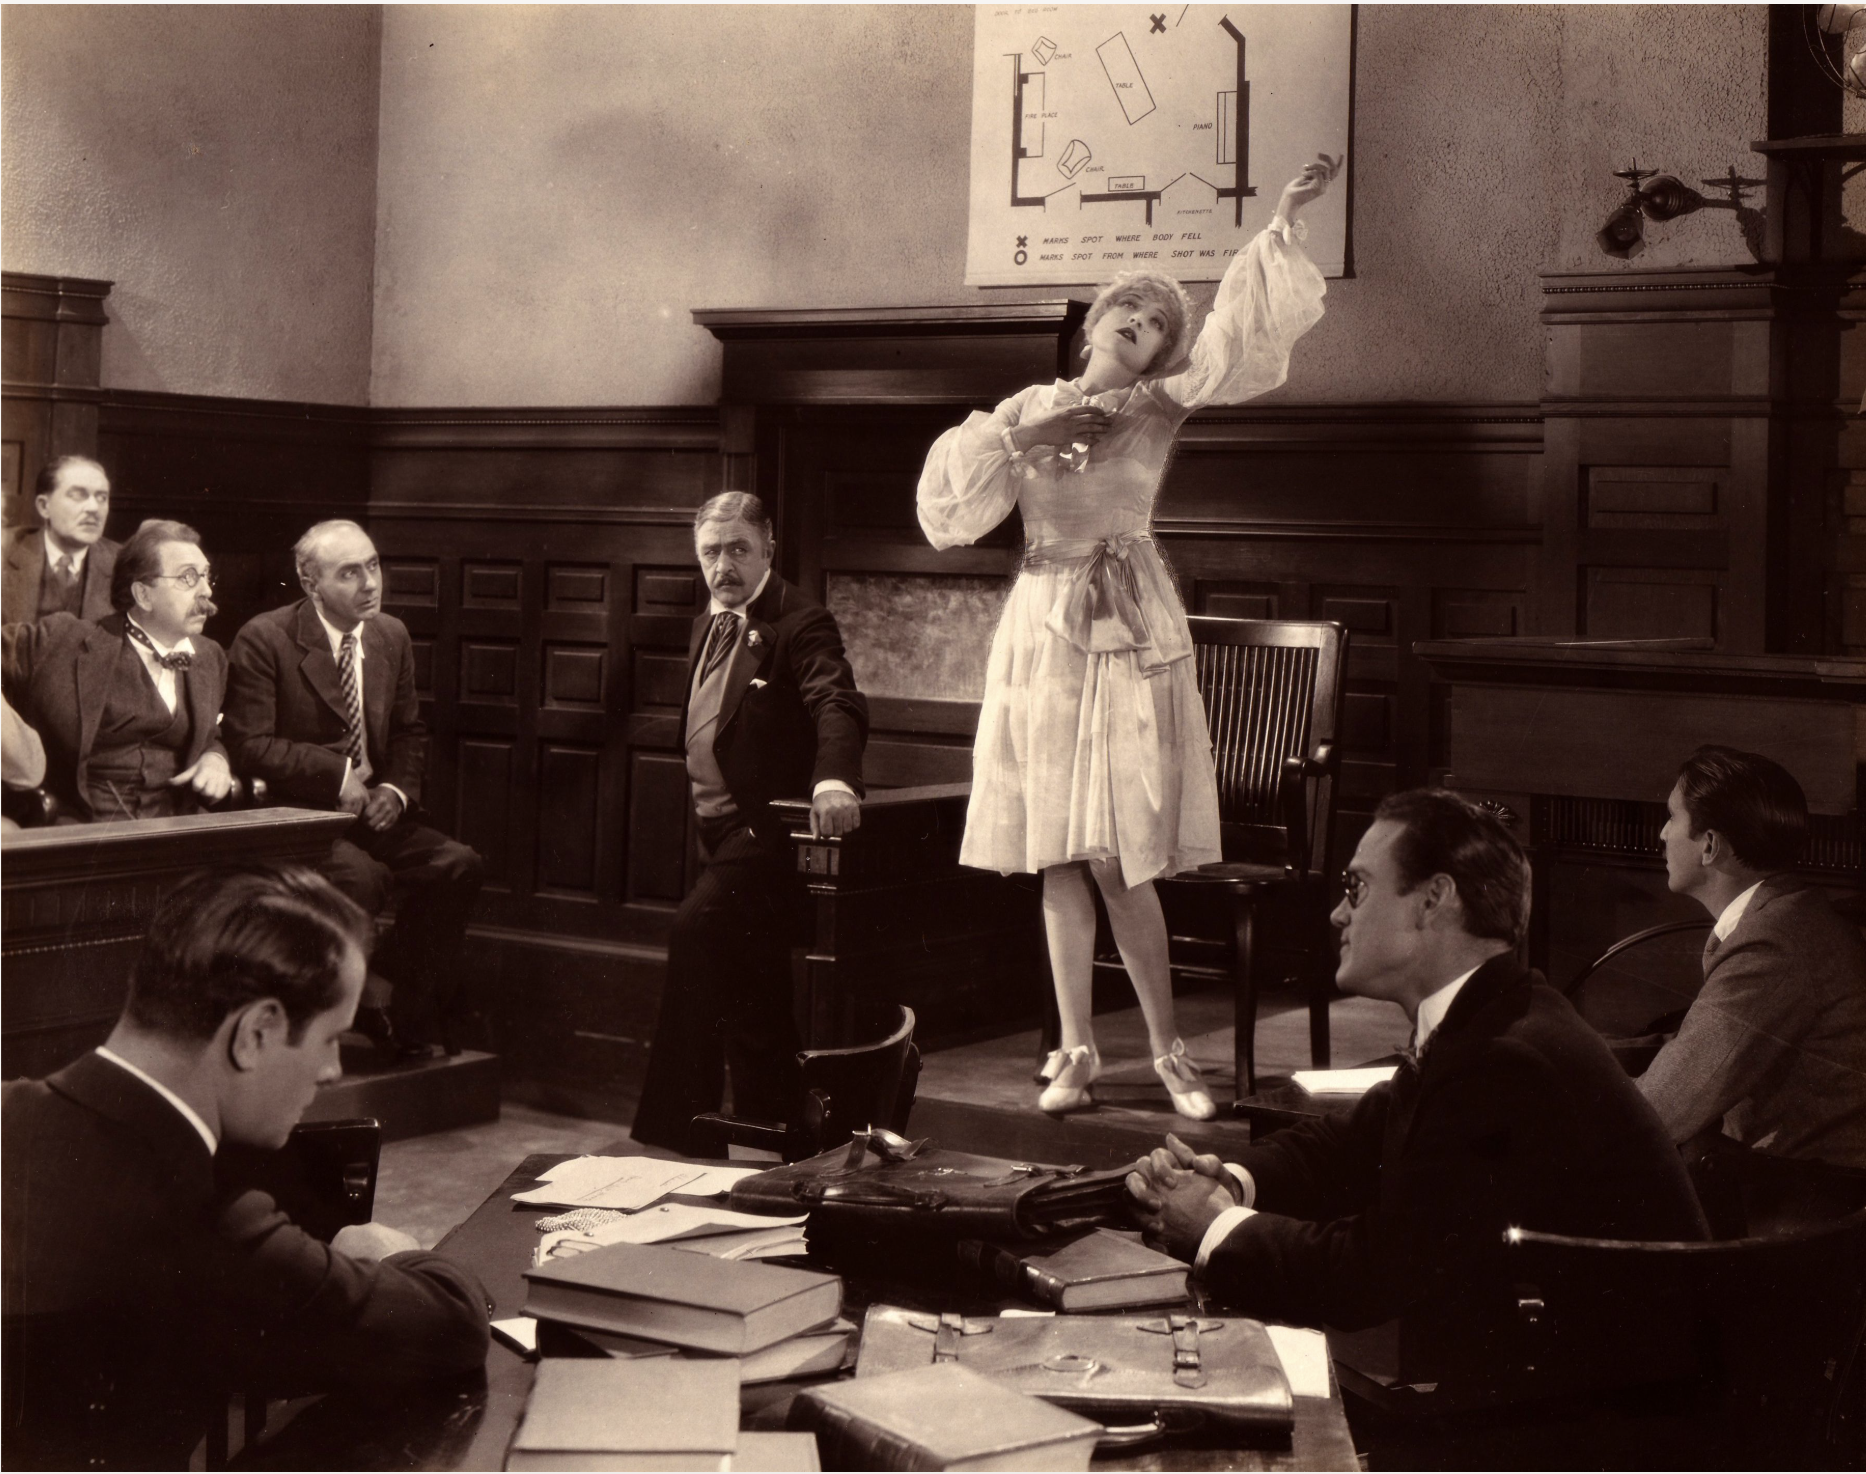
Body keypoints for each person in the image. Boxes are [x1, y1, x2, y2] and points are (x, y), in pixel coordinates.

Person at [917, 157, 1341, 1120]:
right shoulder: (1021, 411)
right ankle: (1074, 1052)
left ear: (1156, 356)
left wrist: (1281, 219)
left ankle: (1167, 1050)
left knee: (1116, 855)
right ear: (1094, 322)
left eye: (1154, 326)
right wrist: (1025, 439)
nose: (1138, 325)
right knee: (1059, 853)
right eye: (1128, 311)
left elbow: (1232, 341)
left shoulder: (1157, 405)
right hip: (1042, 625)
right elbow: (952, 510)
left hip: (1126, 627)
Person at [1126, 790, 1706, 1388]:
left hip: (1601, 1413)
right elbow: (1346, 1144)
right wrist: (1226, 1179)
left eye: (1357, 887)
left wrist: (1214, 1225)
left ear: (1433, 900)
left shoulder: (1504, 1056)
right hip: (1561, 1380)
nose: (1338, 914)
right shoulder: (1493, 1014)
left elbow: (1372, 1274)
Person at [1, 866, 491, 1470]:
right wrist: (391, 1256)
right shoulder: (209, 1226)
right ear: (255, 1033)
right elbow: (452, 1322)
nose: (333, 1070)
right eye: (331, 1038)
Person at [630, 492, 867, 1154]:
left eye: (738, 549)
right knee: (752, 985)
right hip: (712, 832)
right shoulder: (707, 623)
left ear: (768, 548)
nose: (723, 566)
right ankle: (784, 1138)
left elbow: (836, 701)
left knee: (696, 932)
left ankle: (678, 1137)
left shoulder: (801, 622)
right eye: (711, 551)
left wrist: (834, 779)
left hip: (766, 835)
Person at [222, 520, 484, 1055]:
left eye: (373, 566)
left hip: (371, 809)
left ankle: (385, 993)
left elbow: (409, 730)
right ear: (310, 582)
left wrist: (395, 791)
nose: (370, 583)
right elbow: (250, 743)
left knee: (458, 865)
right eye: (349, 573)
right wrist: (336, 776)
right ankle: (329, 1026)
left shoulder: (390, 635)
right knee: (361, 879)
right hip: (299, 814)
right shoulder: (265, 638)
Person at [1635, 746, 1866, 1169]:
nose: (1663, 834)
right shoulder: (1787, 915)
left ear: (1709, 845)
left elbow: (1659, 1112)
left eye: (1672, 817)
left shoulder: (1772, 944)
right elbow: (1697, 1048)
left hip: (1806, 1192)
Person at [2, 518, 234, 820]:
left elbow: (211, 734)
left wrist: (215, 758)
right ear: (143, 595)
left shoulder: (210, 657)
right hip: (82, 828)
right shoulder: (63, 641)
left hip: (178, 828)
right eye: (188, 577)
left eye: (205, 576)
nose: (206, 591)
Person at [2, 454, 119, 623]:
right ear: (44, 506)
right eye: (78, 495)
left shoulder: (122, 562)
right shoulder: (6, 551)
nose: (94, 507)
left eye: (102, 498)